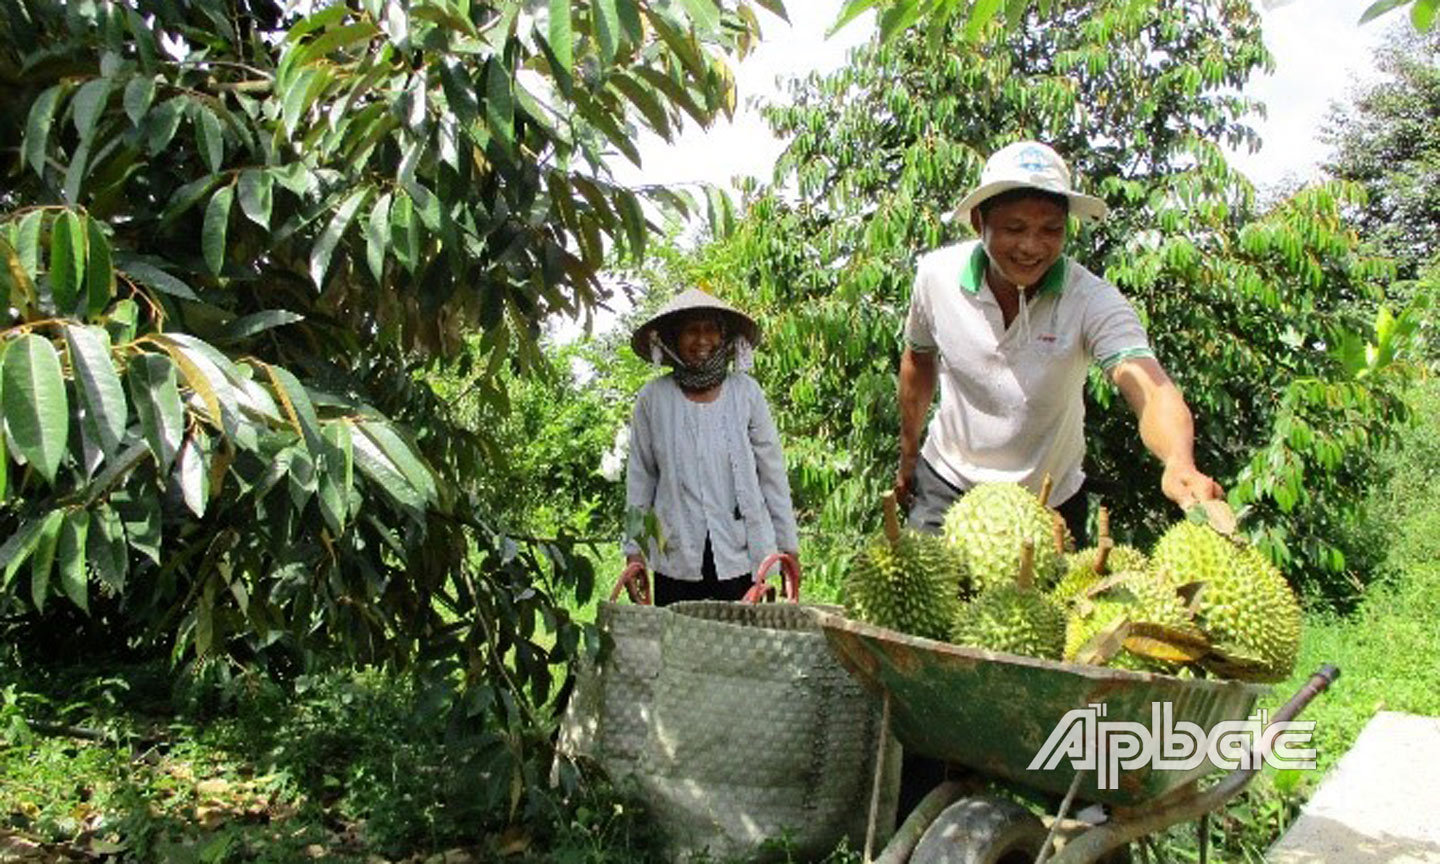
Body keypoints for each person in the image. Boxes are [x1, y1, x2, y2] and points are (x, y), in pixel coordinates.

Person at [895, 140, 1222, 544]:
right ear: (980, 222)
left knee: (1052, 607)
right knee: (925, 595)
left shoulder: (1091, 300)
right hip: (948, 482)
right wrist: (908, 452)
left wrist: (1179, 461)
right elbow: (919, 359)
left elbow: (1147, 384)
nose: (1032, 246)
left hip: (1047, 499)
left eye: (1051, 230)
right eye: (1015, 228)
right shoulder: (935, 276)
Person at [623, 288, 801, 606]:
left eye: (709, 330)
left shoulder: (746, 393)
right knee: (679, 649)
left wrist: (788, 546)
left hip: (740, 552)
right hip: (676, 555)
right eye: (692, 330)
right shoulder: (653, 399)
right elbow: (641, 478)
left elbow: (771, 473)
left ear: (722, 337)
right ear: (674, 338)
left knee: (742, 648)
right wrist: (634, 552)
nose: (701, 340)